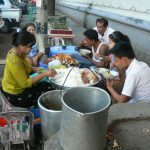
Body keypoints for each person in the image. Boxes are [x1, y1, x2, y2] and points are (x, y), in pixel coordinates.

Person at [1, 31, 56, 108]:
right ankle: (43, 109)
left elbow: (23, 67)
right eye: (29, 46)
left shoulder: (18, 53)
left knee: (45, 83)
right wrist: (44, 74)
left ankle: (41, 104)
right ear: (21, 45)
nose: (31, 49)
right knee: (48, 87)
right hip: (14, 95)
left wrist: (34, 69)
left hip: (15, 87)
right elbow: (25, 84)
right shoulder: (15, 61)